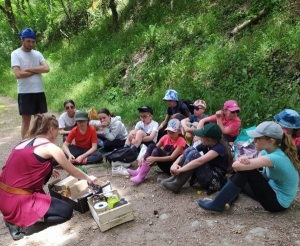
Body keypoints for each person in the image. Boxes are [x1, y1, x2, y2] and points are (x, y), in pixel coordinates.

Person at [0, 114, 100, 240]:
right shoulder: (50, 147)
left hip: (3, 197)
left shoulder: (24, 142)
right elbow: (73, 171)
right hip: (19, 201)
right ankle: (18, 220)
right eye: (57, 131)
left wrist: (49, 168)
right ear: (52, 130)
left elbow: (24, 165)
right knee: (66, 212)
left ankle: (16, 216)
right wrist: (89, 178)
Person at [197, 121, 300, 213]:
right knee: (240, 177)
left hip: (278, 203)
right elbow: (247, 165)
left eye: (257, 138)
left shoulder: (276, 157)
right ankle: (225, 201)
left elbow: (236, 166)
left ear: (271, 141)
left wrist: (244, 162)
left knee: (246, 172)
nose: (253, 141)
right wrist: (245, 160)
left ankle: (217, 204)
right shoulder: (267, 151)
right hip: (271, 188)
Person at [160, 123, 232, 194]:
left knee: (194, 154)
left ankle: (177, 184)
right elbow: (186, 152)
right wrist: (175, 164)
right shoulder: (207, 144)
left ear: (209, 139)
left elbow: (199, 161)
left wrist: (180, 170)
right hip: (208, 172)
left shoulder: (219, 148)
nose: (200, 138)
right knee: (190, 149)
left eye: (202, 137)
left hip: (214, 179)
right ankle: (174, 178)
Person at [11, 28, 50, 139]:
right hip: (25, 92)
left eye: (33, 41)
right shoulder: (15, 54)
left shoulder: (37, 54)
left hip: (39, 91)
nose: (31, 44)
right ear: (22, 40)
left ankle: (39, 143)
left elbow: (46, 68)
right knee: (26, 122)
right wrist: (38, 70)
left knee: (40, 120)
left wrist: (29, 69)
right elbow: (18, 74)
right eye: (28, 41)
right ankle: (25, 144)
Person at [127, 119, 186, 184]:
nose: (170, 134)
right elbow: (154, 146)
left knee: (156, 150)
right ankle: (139, 170)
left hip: (172, 167)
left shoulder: (181, 141)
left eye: (173, 132)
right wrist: (143, 157)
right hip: (164, 163)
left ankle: (141, 176)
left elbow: (172, 157)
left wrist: (155, 159)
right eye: (168, 131)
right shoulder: (165, 137)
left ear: (179, 131)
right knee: (152, 145)